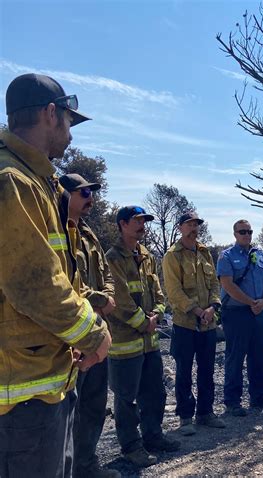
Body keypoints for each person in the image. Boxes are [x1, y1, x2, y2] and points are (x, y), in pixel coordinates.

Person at [0, 73, 111, 478]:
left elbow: (62, 274)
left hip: (42, 381)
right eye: (68, 121)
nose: (69, 134)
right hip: (22, 395)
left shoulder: (35, 181)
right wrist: (93, 334)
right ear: (51, 114)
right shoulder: (12, 181)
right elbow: (35, 285)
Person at [106, 206, 180, 468]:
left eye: (144, 221)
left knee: (155, 392)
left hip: (150, 342)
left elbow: (158, 293)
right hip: (126, 342)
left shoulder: (147, 256)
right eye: (137, 221)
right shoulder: (113, 257)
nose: (143, 225)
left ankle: (153, 435)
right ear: (122, 224)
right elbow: (120, 300)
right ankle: (131, 447)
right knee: (126, 398)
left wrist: (157, 316)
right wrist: (143, 322)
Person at [59, 173, 120, 478]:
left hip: (97, 332)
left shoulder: (89, 233)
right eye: (84, 193)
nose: (90, 200)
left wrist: (107, 296)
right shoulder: (56, 228)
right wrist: (99, 299)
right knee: (69, 409)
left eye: (92, 193)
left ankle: (87, 465)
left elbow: (105, 273)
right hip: (73, 336)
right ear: (65, 194)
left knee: (94, 404)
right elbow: (64, 283)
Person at [162, 211, 225, 436]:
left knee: (207, 370)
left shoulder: (204, 253)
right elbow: (174, 292)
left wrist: (212, 307)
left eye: (196, 224)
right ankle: (186, 417)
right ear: (180, 227)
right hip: (185, 324)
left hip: (207, 323)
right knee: (184, 371)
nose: (193, 228)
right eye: (188, 224)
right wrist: (197, 310)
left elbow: (215, 285)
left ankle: (206, 413)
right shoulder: (172, 256)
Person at [216, 219, 263, 416]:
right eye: (242, 231)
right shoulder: (226, 256)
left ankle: (258, 396)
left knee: (259, 356)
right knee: (235, 356)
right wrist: (252, 302)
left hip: (259, 312)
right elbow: (227, 285)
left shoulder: (260, 255)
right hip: (237, 313)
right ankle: (232, 401)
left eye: (249, 231)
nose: (246, 235)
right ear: (235, 234)